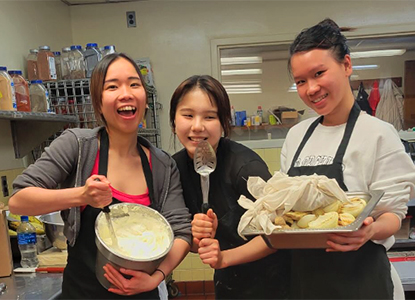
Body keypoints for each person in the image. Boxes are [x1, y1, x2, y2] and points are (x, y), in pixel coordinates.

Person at [9, 53, 192, 299]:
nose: (125, 93)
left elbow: (181, 232)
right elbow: (19, 199)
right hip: (83, 292)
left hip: (142, 294)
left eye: (134, 84)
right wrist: (81, 195)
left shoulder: (161, 165)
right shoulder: (78, 146)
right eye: (112, 86)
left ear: (145, 101)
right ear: (98, 103)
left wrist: (155, 278)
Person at [281, 18, 415, 299]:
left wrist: (369, 231)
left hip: (362, 281)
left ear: (346, 66)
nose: (311, 88)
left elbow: (394, 215)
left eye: (319, 73)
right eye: (301, 81)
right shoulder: (296, 136)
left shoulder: (379, 134)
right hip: (306, 282)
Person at [169, 75, 290, 299]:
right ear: (174, 120)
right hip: (228, 281)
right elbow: (187, 239)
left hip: (275, 281)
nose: (197, 126)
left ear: (223, 122)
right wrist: (198, 240)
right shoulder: (174, 170)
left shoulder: (246, 167)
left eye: (209, 116)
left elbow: (279, 235)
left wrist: (224, 257)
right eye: (187, 115)